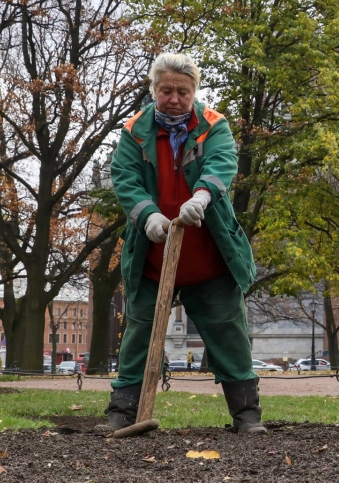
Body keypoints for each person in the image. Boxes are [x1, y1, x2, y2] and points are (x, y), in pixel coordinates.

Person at [105, 53, 265, 434]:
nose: (174, 98)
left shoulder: (213, 126)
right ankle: (122, 412)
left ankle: (246, 415)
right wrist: (148, 216)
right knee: (138, 335)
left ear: (194, 92)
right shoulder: (134, 132)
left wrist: (203, 196)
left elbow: (222, 163)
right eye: (166, 91)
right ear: (153, 90)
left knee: (229, 332)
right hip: (152, 258)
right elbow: (124, 177)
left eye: (182, 91)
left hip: (208, 257)